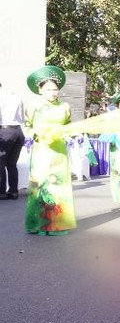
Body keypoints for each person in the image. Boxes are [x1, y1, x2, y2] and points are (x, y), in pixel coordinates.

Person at [24, 66, 76, 235]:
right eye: (48, 90)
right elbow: (27, 126)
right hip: (41, 151)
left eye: (55, 89)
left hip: (59, 152)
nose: (53, 93)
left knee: (57, 185)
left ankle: (55, 223)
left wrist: (72, 136)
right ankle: (39, 223)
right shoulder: (34, 106)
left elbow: (68, 126)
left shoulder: (65, 106)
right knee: (40, 185)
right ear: (40, 90)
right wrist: (32, 135)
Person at [0, 82, 25, 200]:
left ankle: (1, 192)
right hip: (18, 131)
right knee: (12, 164)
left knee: (1, 163)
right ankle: (13, 191)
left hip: (4, 131)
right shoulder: (14, 96)